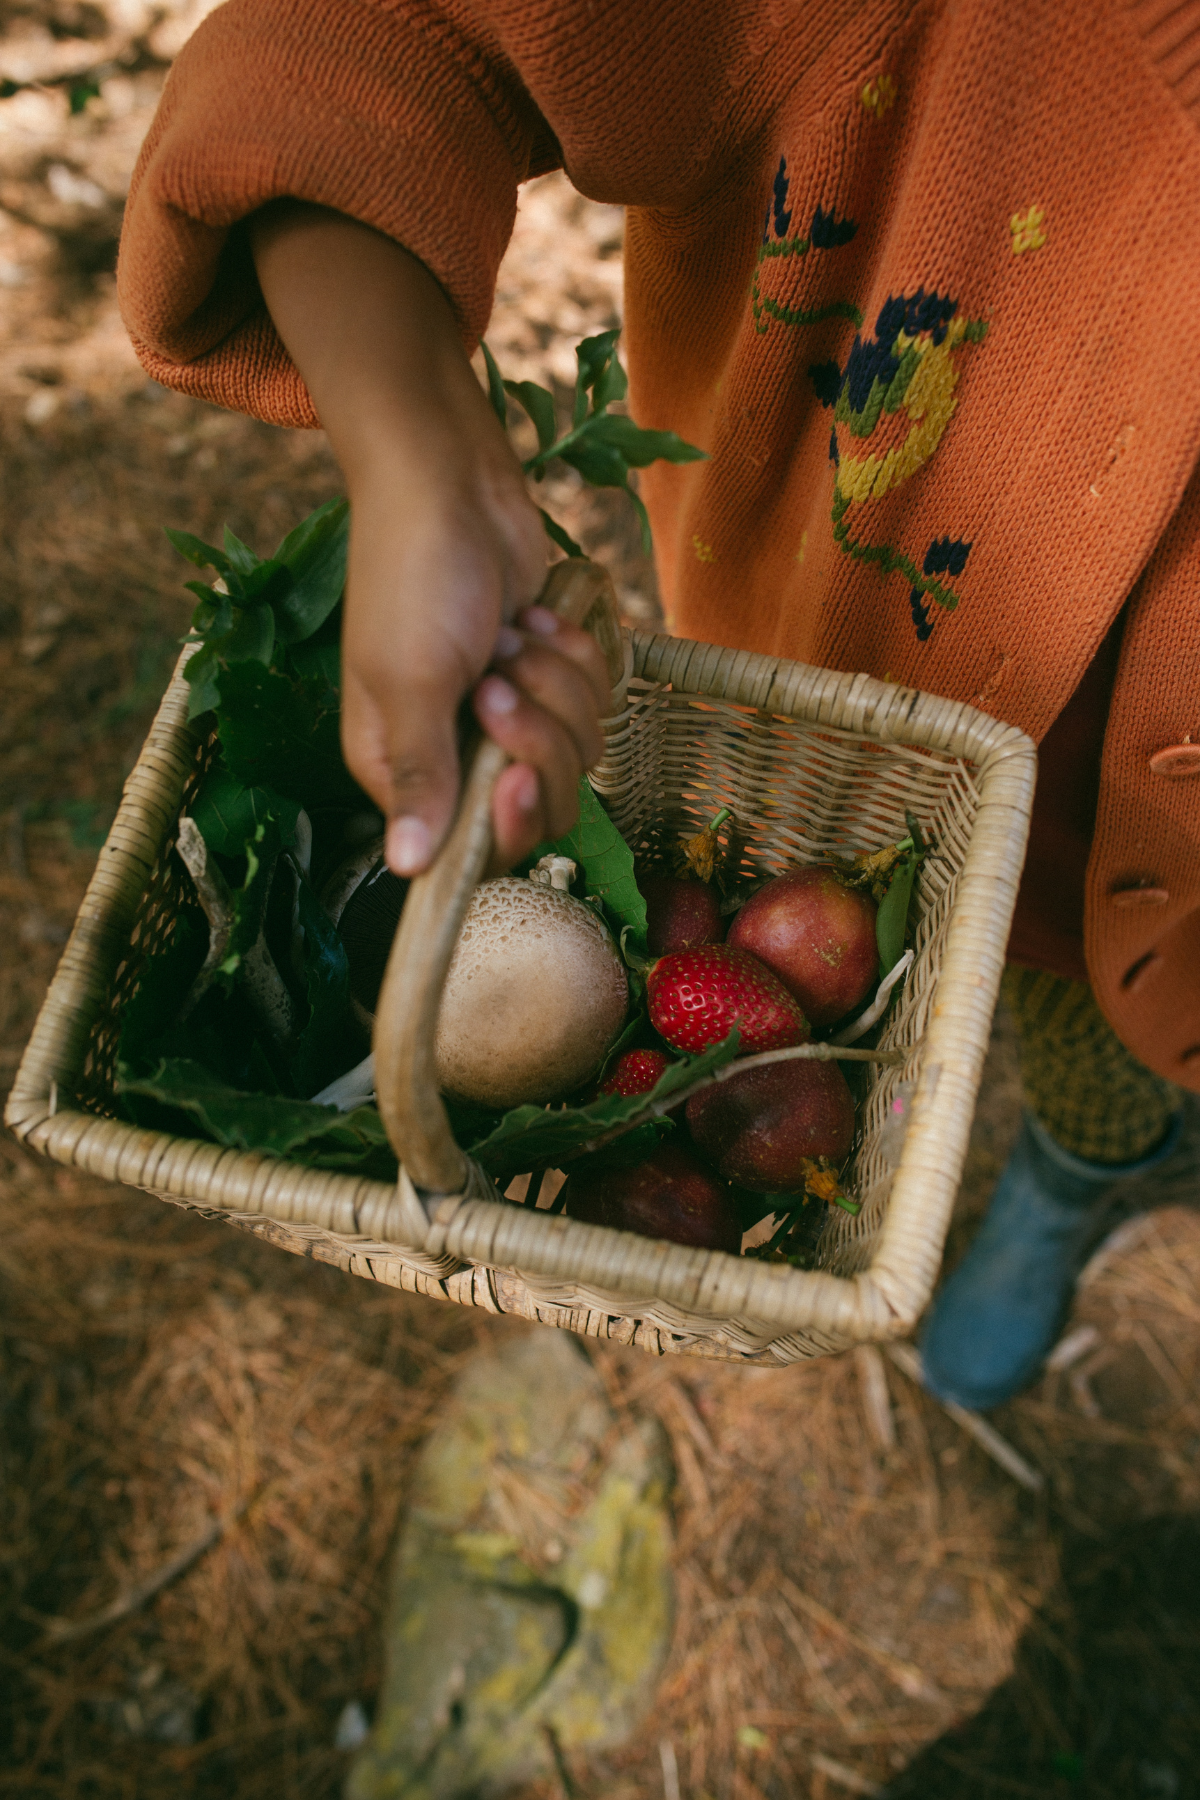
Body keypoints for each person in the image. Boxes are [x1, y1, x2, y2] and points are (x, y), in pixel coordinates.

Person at [115, 0, 1200, 1407]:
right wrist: (422, 454)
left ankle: (1081, 1162)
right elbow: (369, 42)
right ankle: (1086, 1160)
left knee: (1125, 1030)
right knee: (1061, 1014)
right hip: (855, 718)